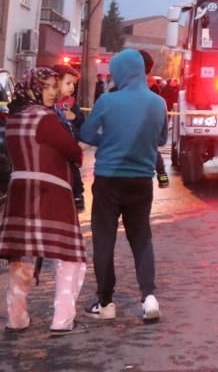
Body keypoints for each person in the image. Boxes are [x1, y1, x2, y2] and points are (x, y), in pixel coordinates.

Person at [0, 67, 87, 333]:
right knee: (70, 256)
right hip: (50, 191)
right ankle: (62, 320)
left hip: (19, 192)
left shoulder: (13, 118)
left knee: (20, 255)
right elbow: (73, 151)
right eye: (48, 87)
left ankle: (16, 318)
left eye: (55, 87)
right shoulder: (45, 118)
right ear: (34, 88)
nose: (54, 93)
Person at [79, 49, 169, 322]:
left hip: (108, 179)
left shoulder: (108, 101)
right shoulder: (158, 103)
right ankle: (149, 297)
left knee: (104, 240)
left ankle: (106, 302)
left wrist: (109, 139)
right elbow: (161, 140)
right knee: (141, 238)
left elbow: (86, 134)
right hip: (141, 181)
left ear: (120, 72)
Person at [51, 63, 86, 211]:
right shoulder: (49, 102)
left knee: (73, 171)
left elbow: (81, 121)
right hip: (52, 151)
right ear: (56, 81)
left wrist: (75, 117)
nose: (72, 87)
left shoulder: (71, 103)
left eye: (74, 84)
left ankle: (77, 195)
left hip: (69, 148)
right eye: (68, 83)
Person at [138, 50, 171, 189]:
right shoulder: (153, 88)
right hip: (148, 132)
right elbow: (162, 139)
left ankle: (162, 175)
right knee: (154, 152)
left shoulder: (116, 92)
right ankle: (162, 176)